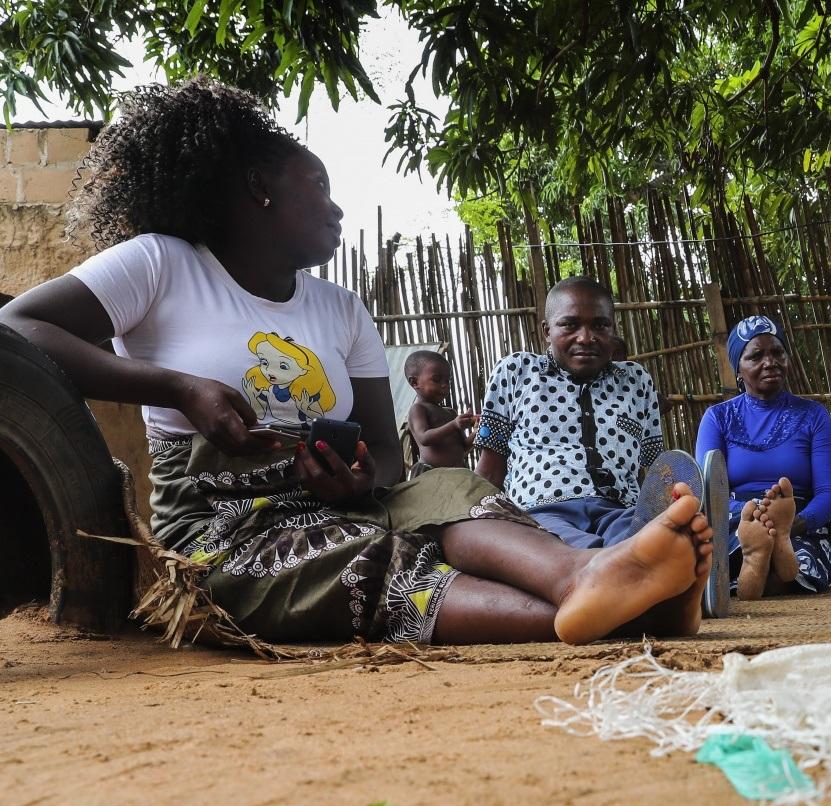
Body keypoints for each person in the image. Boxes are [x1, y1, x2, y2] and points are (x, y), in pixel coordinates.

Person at [0, 78, 711, 647]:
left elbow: (393, 474)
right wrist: (177, 386)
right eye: (319, 186)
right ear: (259, 187)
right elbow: (19, 325)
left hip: (344, 508)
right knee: (371, 561)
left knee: (452, 490)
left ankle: (586, 575)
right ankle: (642, 612)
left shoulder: (341, 310)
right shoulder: (162, 264)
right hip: (228, 533)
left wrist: (356, 480)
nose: (337, 209)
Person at [473, 278, 668, 549]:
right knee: (568, 550)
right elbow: (490, 470)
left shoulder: (635, 380)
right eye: (570, 325)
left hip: (621, 513)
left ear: (612, 329)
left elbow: (649, 468)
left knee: (651, 541)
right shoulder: (517, 372)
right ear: (546, 331)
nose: (586, 338)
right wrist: (472, 521)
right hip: (541, 514)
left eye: (600, 325)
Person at [696, 316, 831, 599]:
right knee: (735, 553)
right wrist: (757, 517)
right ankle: (762, 552)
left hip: (803, 522)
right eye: (756, 355)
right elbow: (709, 493)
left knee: (798, 562)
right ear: (738, 370)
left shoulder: (813, 415)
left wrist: (789, 524)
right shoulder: (717, 418)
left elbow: (828, 494)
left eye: (777, 352)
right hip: (739, 521)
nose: (770, 362)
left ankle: (768, 556)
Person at [405, 349, 475, 475]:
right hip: (431, 475)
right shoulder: (418, 409)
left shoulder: (451, 414)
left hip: (457, 474)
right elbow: (424, 438)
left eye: (448, 381)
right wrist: (454, 425)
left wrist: (478, 433)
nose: (444, 385)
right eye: (436, 380)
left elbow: (463, 447)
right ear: (415, 382)